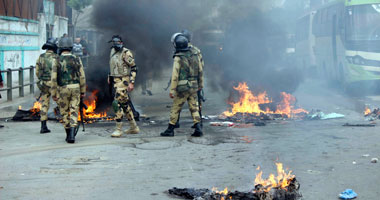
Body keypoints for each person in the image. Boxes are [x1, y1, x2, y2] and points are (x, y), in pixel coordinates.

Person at [160, 33, 204, 137]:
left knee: (176, 107)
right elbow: (200, 70)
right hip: (194, 86)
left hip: (182, 88)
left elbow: (175, 75)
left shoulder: (178, 57)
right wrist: (200, 84)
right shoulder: (195, 54)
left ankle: (170, 129)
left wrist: (172, 90)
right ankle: (198, 128)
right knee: (194, 107)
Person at [51, 37, 86, 143]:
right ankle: (72, 135)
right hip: (75, 88)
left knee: (64, 111)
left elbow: (53, 78)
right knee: (74, 110)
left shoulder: (56, 59)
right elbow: (82, 76)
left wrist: (53, 93)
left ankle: (68, 134)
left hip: (62, 89)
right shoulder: (77, 58)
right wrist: (83, 90)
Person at [108, 35, 139, 137]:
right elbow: (112, 66)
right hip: (115, 81)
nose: (116, 45)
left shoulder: (126, 53)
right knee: (125, 105)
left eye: (118, 42)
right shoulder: (112, 51)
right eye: (114, 43)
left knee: (116, 103)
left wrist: (131, 82)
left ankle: (118, 129)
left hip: (123, 81)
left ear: (121, 42)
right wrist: (109, 76)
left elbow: (134, 67)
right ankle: (133, 127)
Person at [174, 30, 205, 129]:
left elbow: (177, 69)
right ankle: (198, 123)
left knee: (178, 103)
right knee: (196, 103)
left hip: (182, 80)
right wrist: (200, 82)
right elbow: (201, 65)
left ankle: (175, 122)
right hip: (194, 81)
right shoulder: (196, 50)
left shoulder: (180, 49)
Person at [35, 38, 59, 134]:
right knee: (62, 103)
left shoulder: (41, 57)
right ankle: (69, 126)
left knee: (44, 104)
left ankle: (43, 126)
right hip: (55, 84)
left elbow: (37, 72)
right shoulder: (57, 57)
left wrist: (43, 78)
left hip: (44, 84)